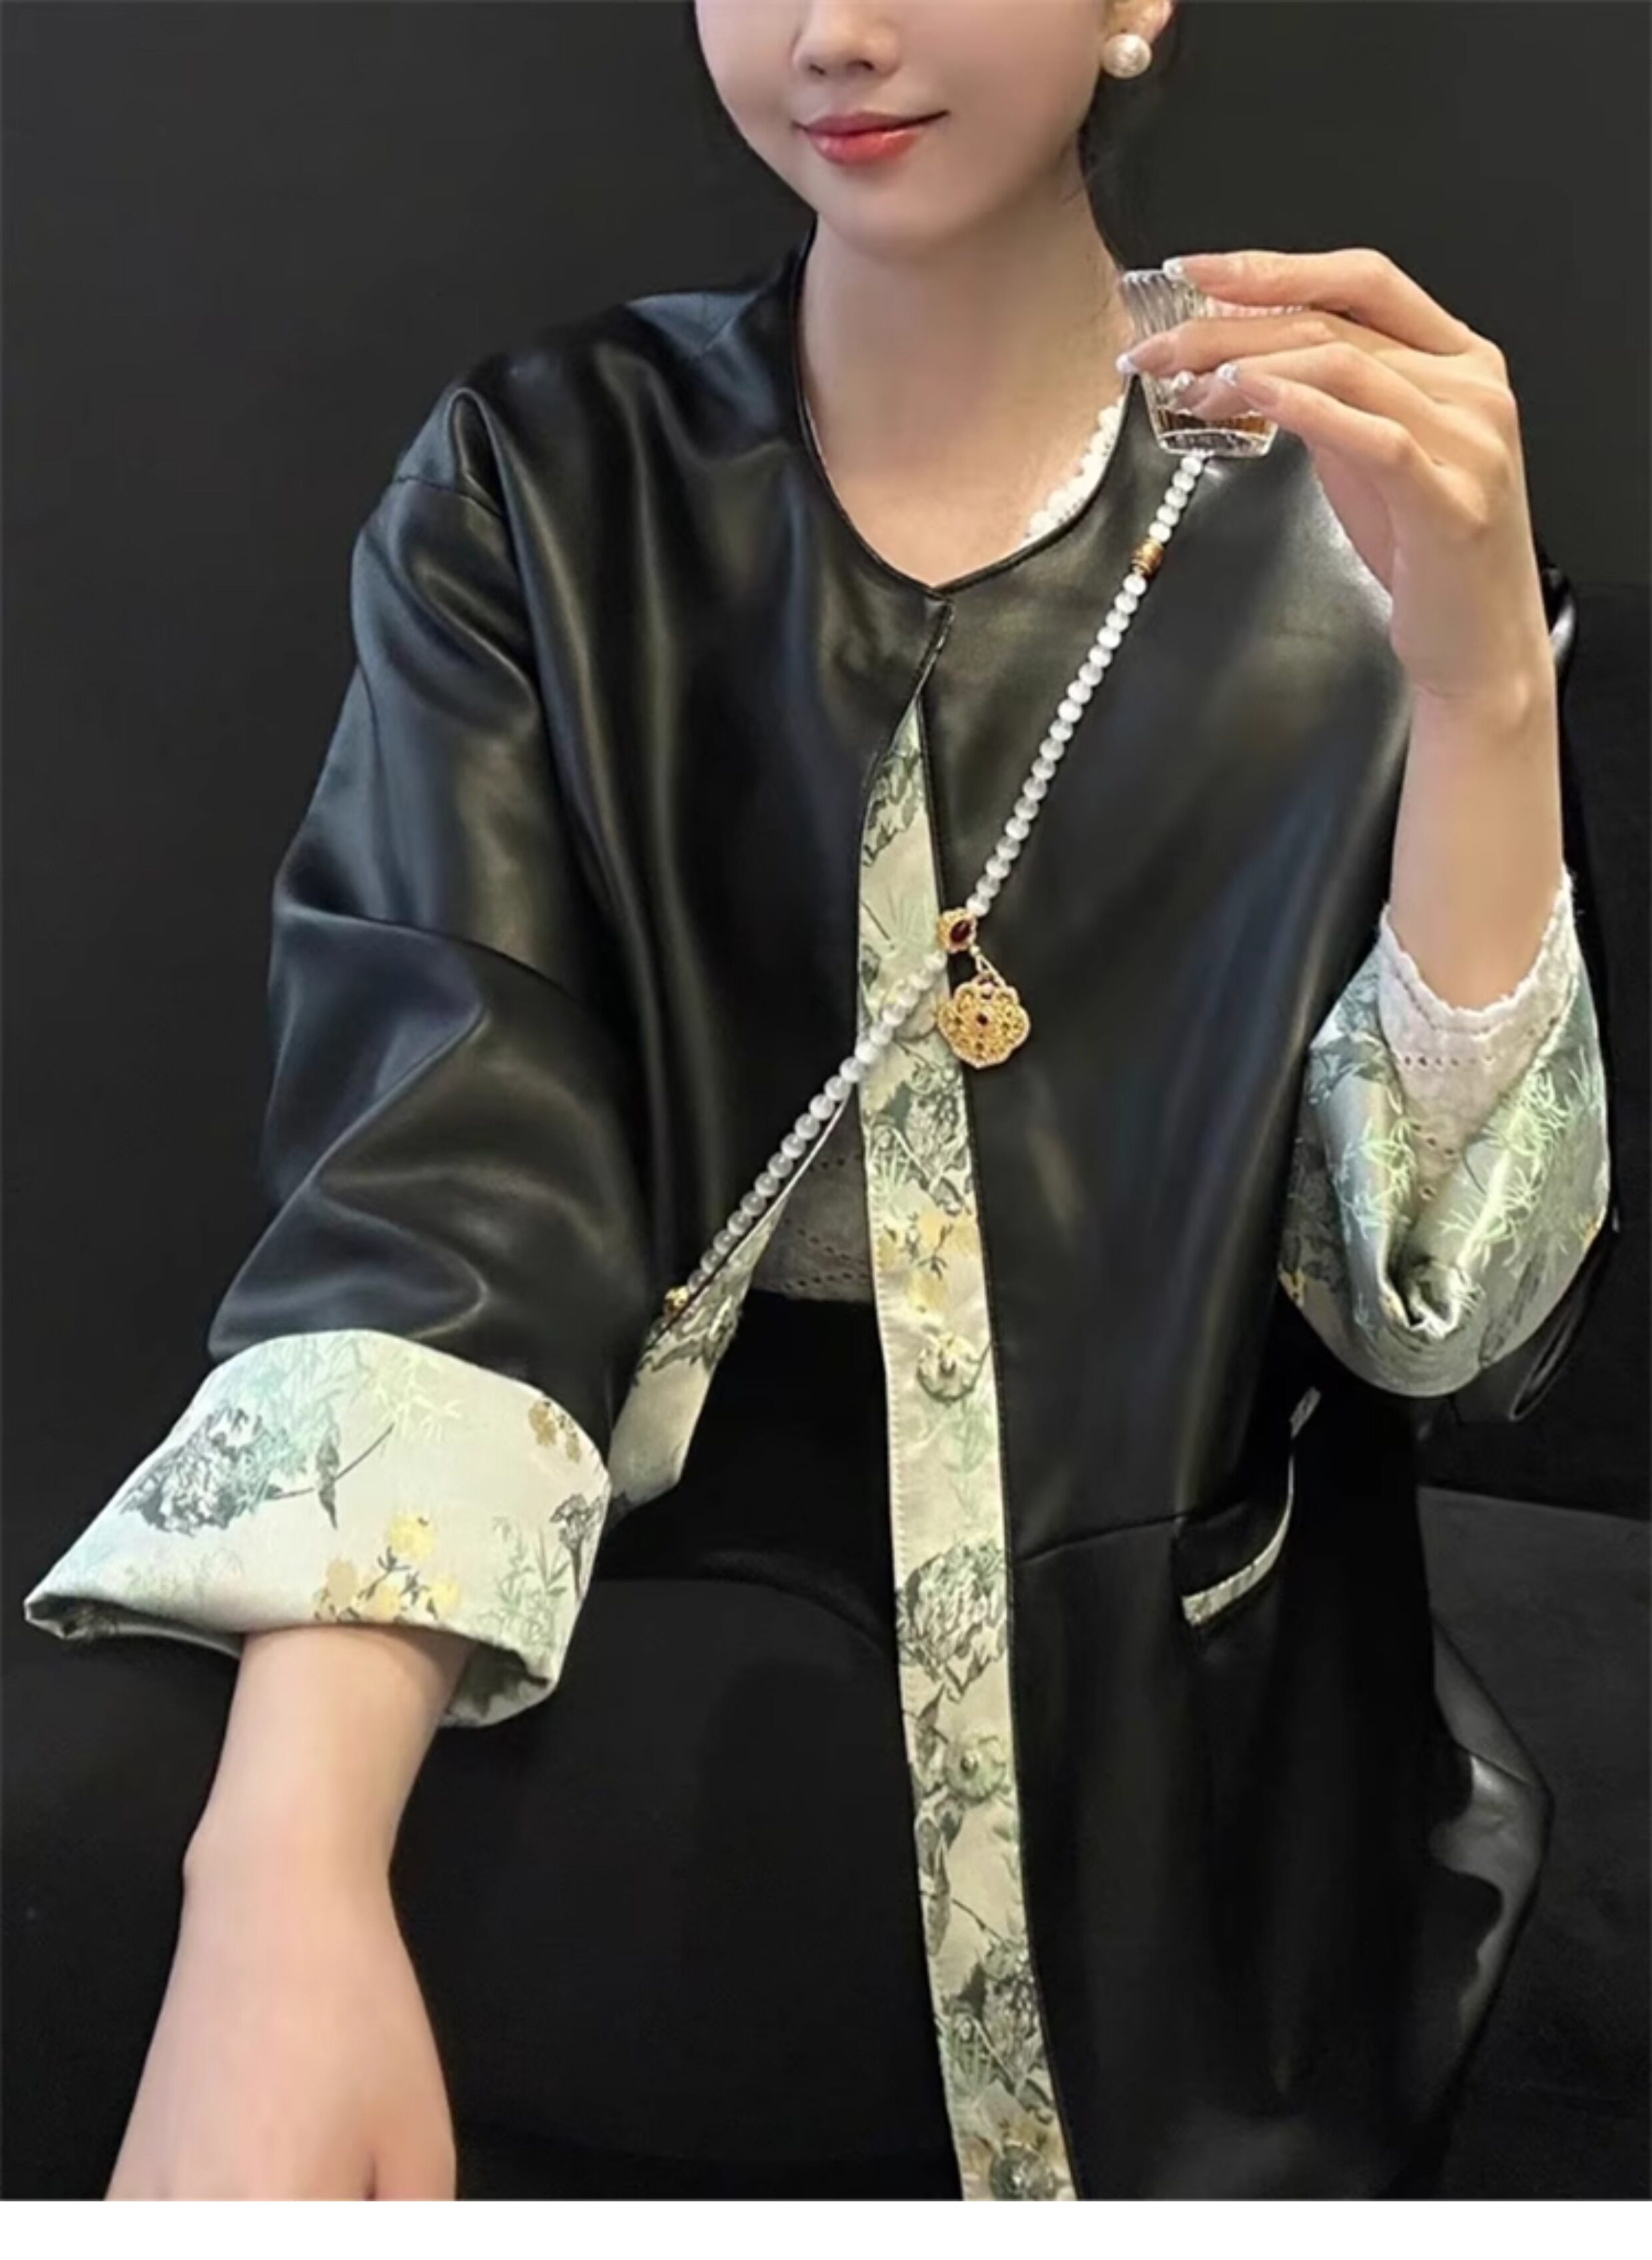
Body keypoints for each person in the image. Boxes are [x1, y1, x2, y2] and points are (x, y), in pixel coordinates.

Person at [18, 0, 1618, 2203]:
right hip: (593, 1553)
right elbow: (442, 1168)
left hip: (1170, 1689)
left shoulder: (1346, 513)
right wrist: (280, 1868)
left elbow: (1437, 1312)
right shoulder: (550, 478)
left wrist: (1484, 687)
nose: (837, 31)